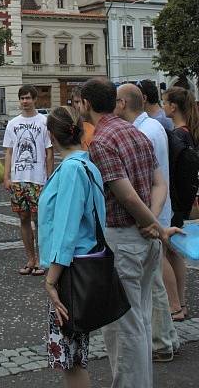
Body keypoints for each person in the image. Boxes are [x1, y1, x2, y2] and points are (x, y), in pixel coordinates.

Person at [80, 79, 179, 388]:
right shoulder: (134, 131)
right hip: (144, 239)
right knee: (140, 319)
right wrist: (153, 221)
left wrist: (153, 224)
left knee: (126, 326)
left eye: (77, 102)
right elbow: (158, 184)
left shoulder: (102, 140)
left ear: (86, 104)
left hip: (124, 239)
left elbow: (126, 196)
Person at [38, 105, 106, 387]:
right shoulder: (88, 164)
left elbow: (66, 230)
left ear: (52, 135)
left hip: (70, 271)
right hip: (81, 265)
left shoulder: (70, 170)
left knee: (71, 358)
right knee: (74, 355)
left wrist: (51, 281)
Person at [115, 83, 179, 362]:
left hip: (150, 216)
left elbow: (143, 179)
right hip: (155, 213)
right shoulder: (152, 127)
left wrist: (147, 218)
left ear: (122, 103)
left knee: (152, 283)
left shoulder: (144, 131)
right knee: (153, 282)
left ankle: (162, 342)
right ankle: (166, 338)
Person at [3, 84, 54, 275]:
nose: (25, 101)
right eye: (22, 98)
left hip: (38, 179)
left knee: (40, 219)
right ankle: (30, 258)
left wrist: (49, 178)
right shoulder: (13, 123)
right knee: (23, 218)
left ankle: (43, 259)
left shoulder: (44, 121)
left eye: (28, 98)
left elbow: (49, 153)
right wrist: (6, 176)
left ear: (35, 99)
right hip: (18, 179)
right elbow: (9, 152)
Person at [162, 86, 199, 323]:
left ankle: (175, 306)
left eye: (165, 102)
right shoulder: (190, 132)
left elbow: (175, 176)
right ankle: (181, 304)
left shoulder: (177, 136)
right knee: (175, 252)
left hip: (177, 202)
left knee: (162, 252)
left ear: (173, 107)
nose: (163, 105)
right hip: (188, 201)